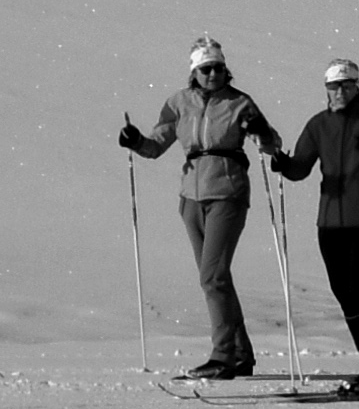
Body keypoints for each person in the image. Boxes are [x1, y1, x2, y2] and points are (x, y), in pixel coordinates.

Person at [116, 38, 283, 379]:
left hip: (228, 192)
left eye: (218, 68)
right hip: (191, 196)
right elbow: (155, 146)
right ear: (194, 71)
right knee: (215, 279)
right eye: (206, 69)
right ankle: (241, 354)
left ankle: (223, 356)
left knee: (213, 276)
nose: (213, 74)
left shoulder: (239, 103)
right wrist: (134, 140)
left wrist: (262, 132)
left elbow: (270, 144)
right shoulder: (178, 102)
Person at [271, 59, 359, 398]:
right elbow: (300, 167)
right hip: (331, 223)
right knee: (346, 295)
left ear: (358, 86)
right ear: (326, 90)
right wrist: (283, 164)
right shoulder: (318, 125)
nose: (340, 91)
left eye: (346, 85)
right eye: (333, 86)